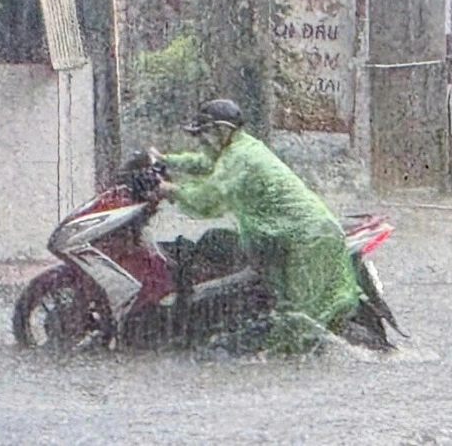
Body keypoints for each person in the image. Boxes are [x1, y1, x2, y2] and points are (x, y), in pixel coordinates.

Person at [152, 99, 367, 354]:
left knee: (299, 318)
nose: (202, 142)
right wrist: (165, 160)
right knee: (289, 310)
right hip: (293, 238)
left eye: (205, 135)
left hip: (307, 240)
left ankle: (301, 367)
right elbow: (205, 164)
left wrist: (169, 190)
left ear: (223, 131)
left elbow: (208, 199)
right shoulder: (235, 150)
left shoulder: (240, 157)